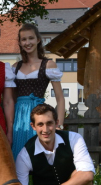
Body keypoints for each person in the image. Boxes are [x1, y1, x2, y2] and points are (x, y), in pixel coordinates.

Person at [11, 23, 65, 160]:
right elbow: (10, 99)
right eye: (24, 39)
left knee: (38, 155)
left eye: (31, 38)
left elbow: (60, 98)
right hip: (18, 118)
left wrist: (59, 125)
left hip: (39, 115)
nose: (27, 42)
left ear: (38, 40)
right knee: (18, 155)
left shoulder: (48, 65)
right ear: (20, 42)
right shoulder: (15, 68)